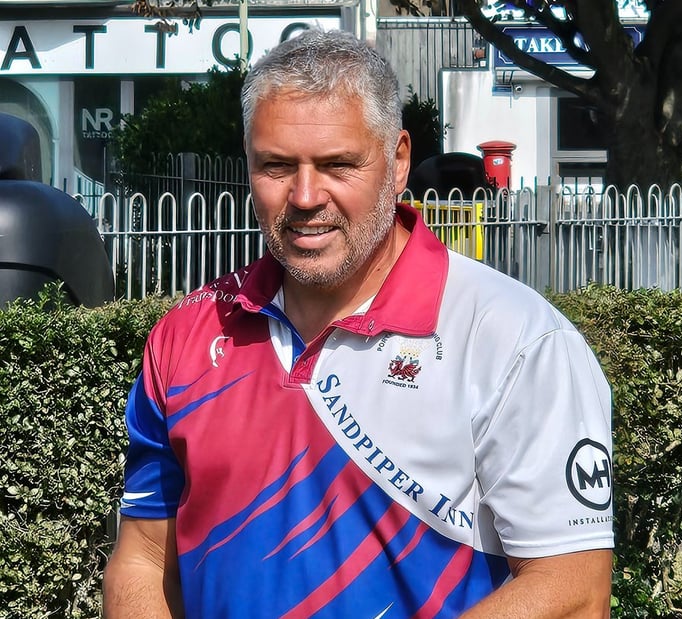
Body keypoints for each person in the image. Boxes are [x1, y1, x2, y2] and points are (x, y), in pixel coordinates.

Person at [103, 29, 614, 618]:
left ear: (398, 163)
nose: (304, 195)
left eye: (337, 164)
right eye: (275, 166)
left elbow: (573, 590)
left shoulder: (516, 341)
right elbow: (143, 556)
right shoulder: (185, 336)